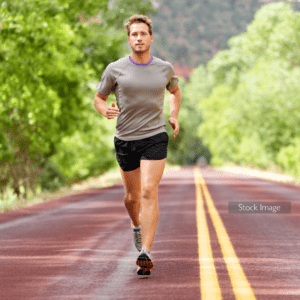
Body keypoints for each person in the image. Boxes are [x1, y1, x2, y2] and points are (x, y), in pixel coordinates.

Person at [94, 14, 181, 276]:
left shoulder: (164, 68)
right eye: (134, 34)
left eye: (143, 34)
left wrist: (174, 115)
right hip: (125, 140)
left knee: (148, 191)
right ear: (129, 38)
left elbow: (174, 91)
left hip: (154, 136)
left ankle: (146, 251)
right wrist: (104, 110)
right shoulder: (115, 69)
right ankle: (136, 224)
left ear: (151, 38)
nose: (139, 38)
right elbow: (99, 97)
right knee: (132, 199)